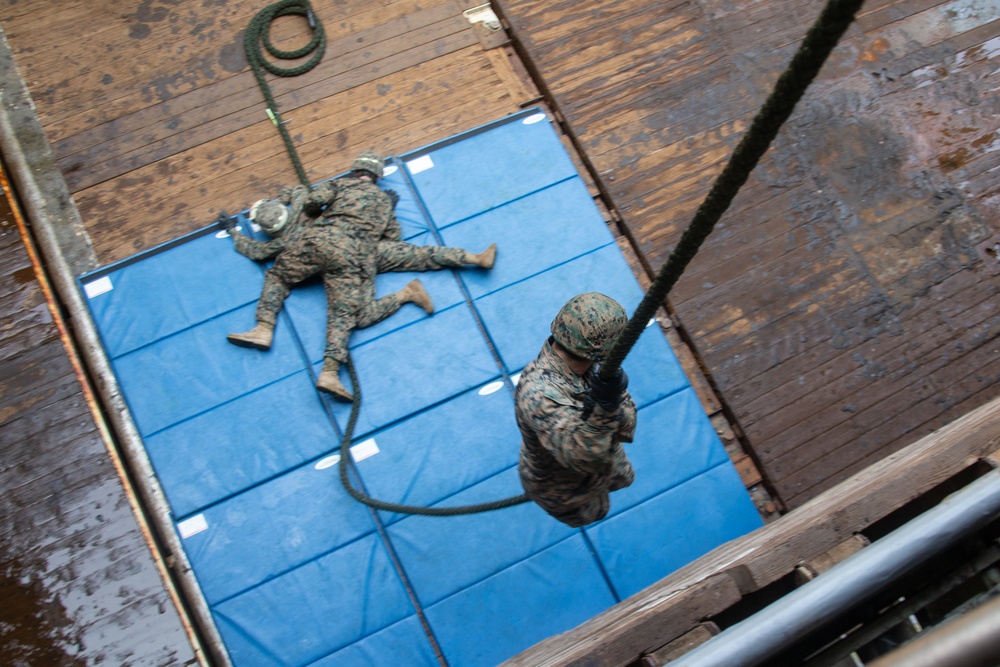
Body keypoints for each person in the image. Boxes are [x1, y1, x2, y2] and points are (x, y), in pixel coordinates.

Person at [222, 152, 496, 402]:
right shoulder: (381, 201)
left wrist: (235, 232)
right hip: (361, 255)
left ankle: (264, 328)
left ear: (354, 171)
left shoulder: (336, 190)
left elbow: (307, 204)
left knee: (278, 278)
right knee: (356, 305)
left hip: (320, 242)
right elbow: (394, 238)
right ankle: (472, 258)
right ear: (376, 177)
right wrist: (386, 210)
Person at [514, 292, 637, 527]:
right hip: (567, 491)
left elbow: (629, 423)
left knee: (621, 479)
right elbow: (586, 458)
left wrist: (611, 406)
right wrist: (607, 408)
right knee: (596, 512)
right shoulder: (539, 394)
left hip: (598, 467)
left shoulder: (592, 369)